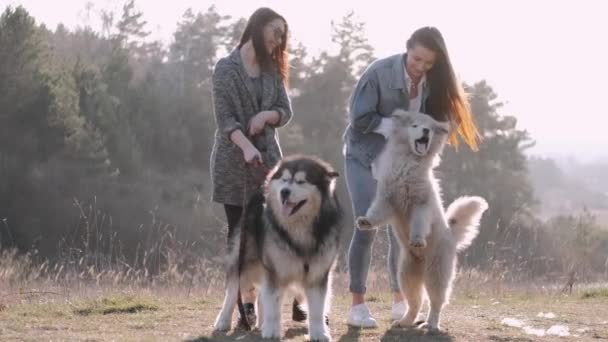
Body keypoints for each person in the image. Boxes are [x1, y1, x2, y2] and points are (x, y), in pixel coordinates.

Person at [342, 26, 481, 327]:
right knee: (366, 225)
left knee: (402, 233)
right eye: (417, 59)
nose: (421, 67)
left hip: (404, 165)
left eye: (428, 63)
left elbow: (435, 127)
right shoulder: (378, 73)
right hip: (365, 156)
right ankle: (358, 305)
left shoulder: (432, 83)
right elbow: (359, 118)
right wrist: (396, 127)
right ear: (407, 49)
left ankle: (400, 301)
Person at [210, 7, 303, 327]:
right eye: (275, 32)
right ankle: (245, 304)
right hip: (232, 162)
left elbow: (285, 111)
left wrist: (266, 117)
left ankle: (294, 297)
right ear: (258, 26)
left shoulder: (272, 71)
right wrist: (246, 146)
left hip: (269, 164)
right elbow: (226, 120)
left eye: (282, 36)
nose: (278, 40)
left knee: (281, 230)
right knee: (240, 236)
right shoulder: (225, 69)